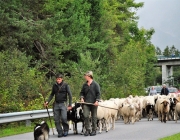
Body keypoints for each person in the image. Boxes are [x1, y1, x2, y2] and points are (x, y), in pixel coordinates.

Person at [80, 71, 101, 136]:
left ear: (89, 76)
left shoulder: (95, 84)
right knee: (86, 115)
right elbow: (81, 93)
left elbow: (98, 93)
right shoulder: (84, 85)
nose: (84, 77)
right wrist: (82, 98)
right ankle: (87, 129)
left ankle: (94, 129)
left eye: (85, 76)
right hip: (86, 103)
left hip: (94, 103)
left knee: (94, 116)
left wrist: (97, 101)